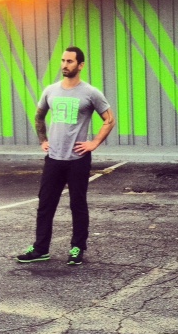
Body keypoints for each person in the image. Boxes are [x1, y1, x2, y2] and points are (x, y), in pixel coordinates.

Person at [17, 46, 116, 266]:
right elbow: (39, 116)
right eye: (63, 60)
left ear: (80, 65)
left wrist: (94, 143)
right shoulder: (51, 90)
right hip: (54, 158)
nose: (64, 65)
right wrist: (43, 140)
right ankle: (41, 248)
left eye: (70, 61)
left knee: (77, 204)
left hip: (77, 159)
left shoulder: (91, 93)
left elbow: (109, 120)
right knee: (45, 204)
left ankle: (77, 247)